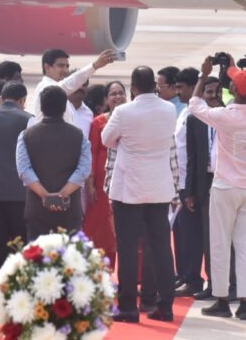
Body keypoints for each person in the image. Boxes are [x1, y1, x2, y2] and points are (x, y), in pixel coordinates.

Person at [189, 57, 246, 321]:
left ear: (231, 90)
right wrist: (241, 70)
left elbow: (194, 104)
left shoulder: (224, 116)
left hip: (224, 186)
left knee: (220, 243)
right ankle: (245, 302)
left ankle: (222, 299)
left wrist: (203, 76)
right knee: (244, 246)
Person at [102, 67, 178, 323]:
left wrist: (125, 141)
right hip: (159, 187)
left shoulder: (123, 112)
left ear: (133, 87)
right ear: (155, 85)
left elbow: (106, 139)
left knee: (127, 248)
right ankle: (164, 305)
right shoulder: (168, 109)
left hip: (129, 189)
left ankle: (128, 307)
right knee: (160, 249)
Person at [17, 86, 92, 240]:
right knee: (69, 259)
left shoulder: (26, 135)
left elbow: (24, 170)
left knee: (37, 260)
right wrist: (61, 195)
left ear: (41, 107)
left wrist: (46, 196)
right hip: (70, 208)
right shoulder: (79, 136)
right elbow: (84, 170)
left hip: (37, 209)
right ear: (65, 107)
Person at [0, 82, 33, 285]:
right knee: (19, 240)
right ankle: (17, 283)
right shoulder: (28, 119)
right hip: (20, 190)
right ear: (22, 101)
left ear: (1, 98)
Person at [184, 76, 222, 300]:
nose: (214, 97)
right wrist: (190, 191)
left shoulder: (230, 115)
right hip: (206, 183)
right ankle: (213, 283)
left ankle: (233, 282)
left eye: (218, 92)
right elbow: (192, 157)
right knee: (209, 237)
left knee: (230, 237)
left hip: (228, 180)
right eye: (209, 93)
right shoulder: (195, 119)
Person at [173, 67, 205, 297]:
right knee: (181, 232)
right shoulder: (184, 112)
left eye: (181, 87)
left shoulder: (198, 114)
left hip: (189, 183)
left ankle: (193, 279)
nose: (177, 91)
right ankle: (184, 275)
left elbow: (195, 155)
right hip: (180, 181)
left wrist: (190, 189)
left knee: (191, 234)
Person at [83, 82, 119, 264]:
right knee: (101, 227)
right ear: (106, 99)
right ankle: (99, 269)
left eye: (121, 93)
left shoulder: (131, 118)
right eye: (113, 94)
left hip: (124, 179)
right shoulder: (98, 122)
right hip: (102, 182)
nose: (117, 97)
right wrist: (91, 184)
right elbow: (92, 152)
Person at [33, 48, 118, 125]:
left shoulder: (63, 95)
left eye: (67, 66)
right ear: (47, 67)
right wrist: (95, 65)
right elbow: (68, 84)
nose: (65, 70)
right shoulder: (44, 88)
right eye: (60, 66)